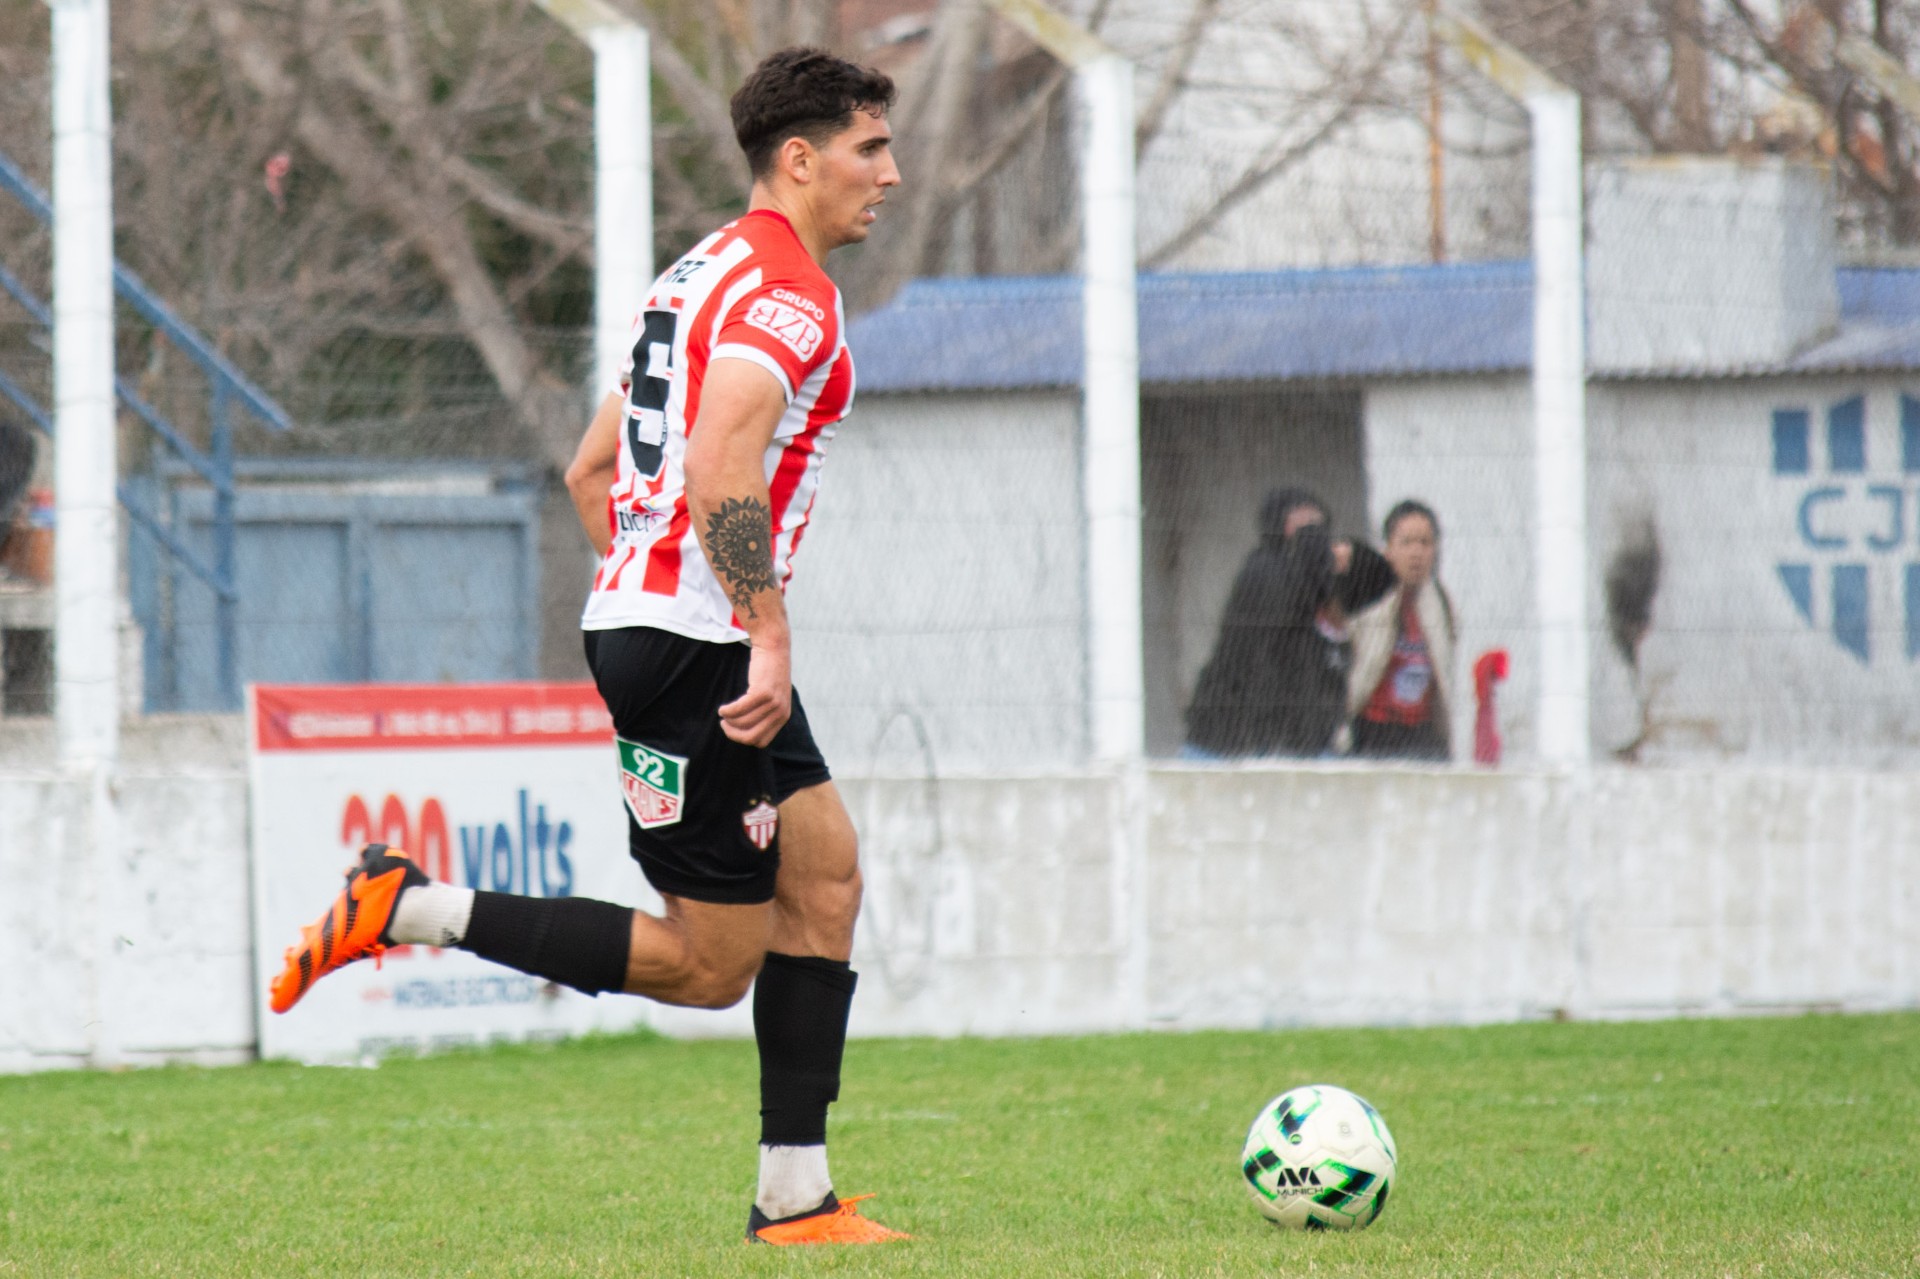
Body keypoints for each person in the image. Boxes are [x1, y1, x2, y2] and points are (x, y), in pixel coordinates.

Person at [267, 47, 907, 1247]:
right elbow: (719, 461)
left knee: (824, 874)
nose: (890, 173)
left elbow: (590, 466)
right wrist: (759, 631)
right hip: (705, 645)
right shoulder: (790, 294)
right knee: (710, 964)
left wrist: (649, 593)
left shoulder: (698, 272)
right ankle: (412, 907)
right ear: (800, 159)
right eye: (870, 149)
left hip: (676, 629)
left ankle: (795, 1197)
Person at [1183, 487, 1394, 759]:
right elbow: (1290, 594)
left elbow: (1379, 577)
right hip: (1222, 746)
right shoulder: (1263, 571)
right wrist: (1315, 544)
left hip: (1293, 750)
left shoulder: (1331, 627)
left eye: (1319, 526)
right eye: (1304, 524)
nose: (1316, 533)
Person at [1347, 500, 1457, 761]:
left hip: (1422, 733)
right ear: (1388, 549)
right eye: (1406, 543)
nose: (1416, 553)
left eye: (1425, 543)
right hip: (1373, 732)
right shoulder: (1368, 600)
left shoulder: (1440, 603)